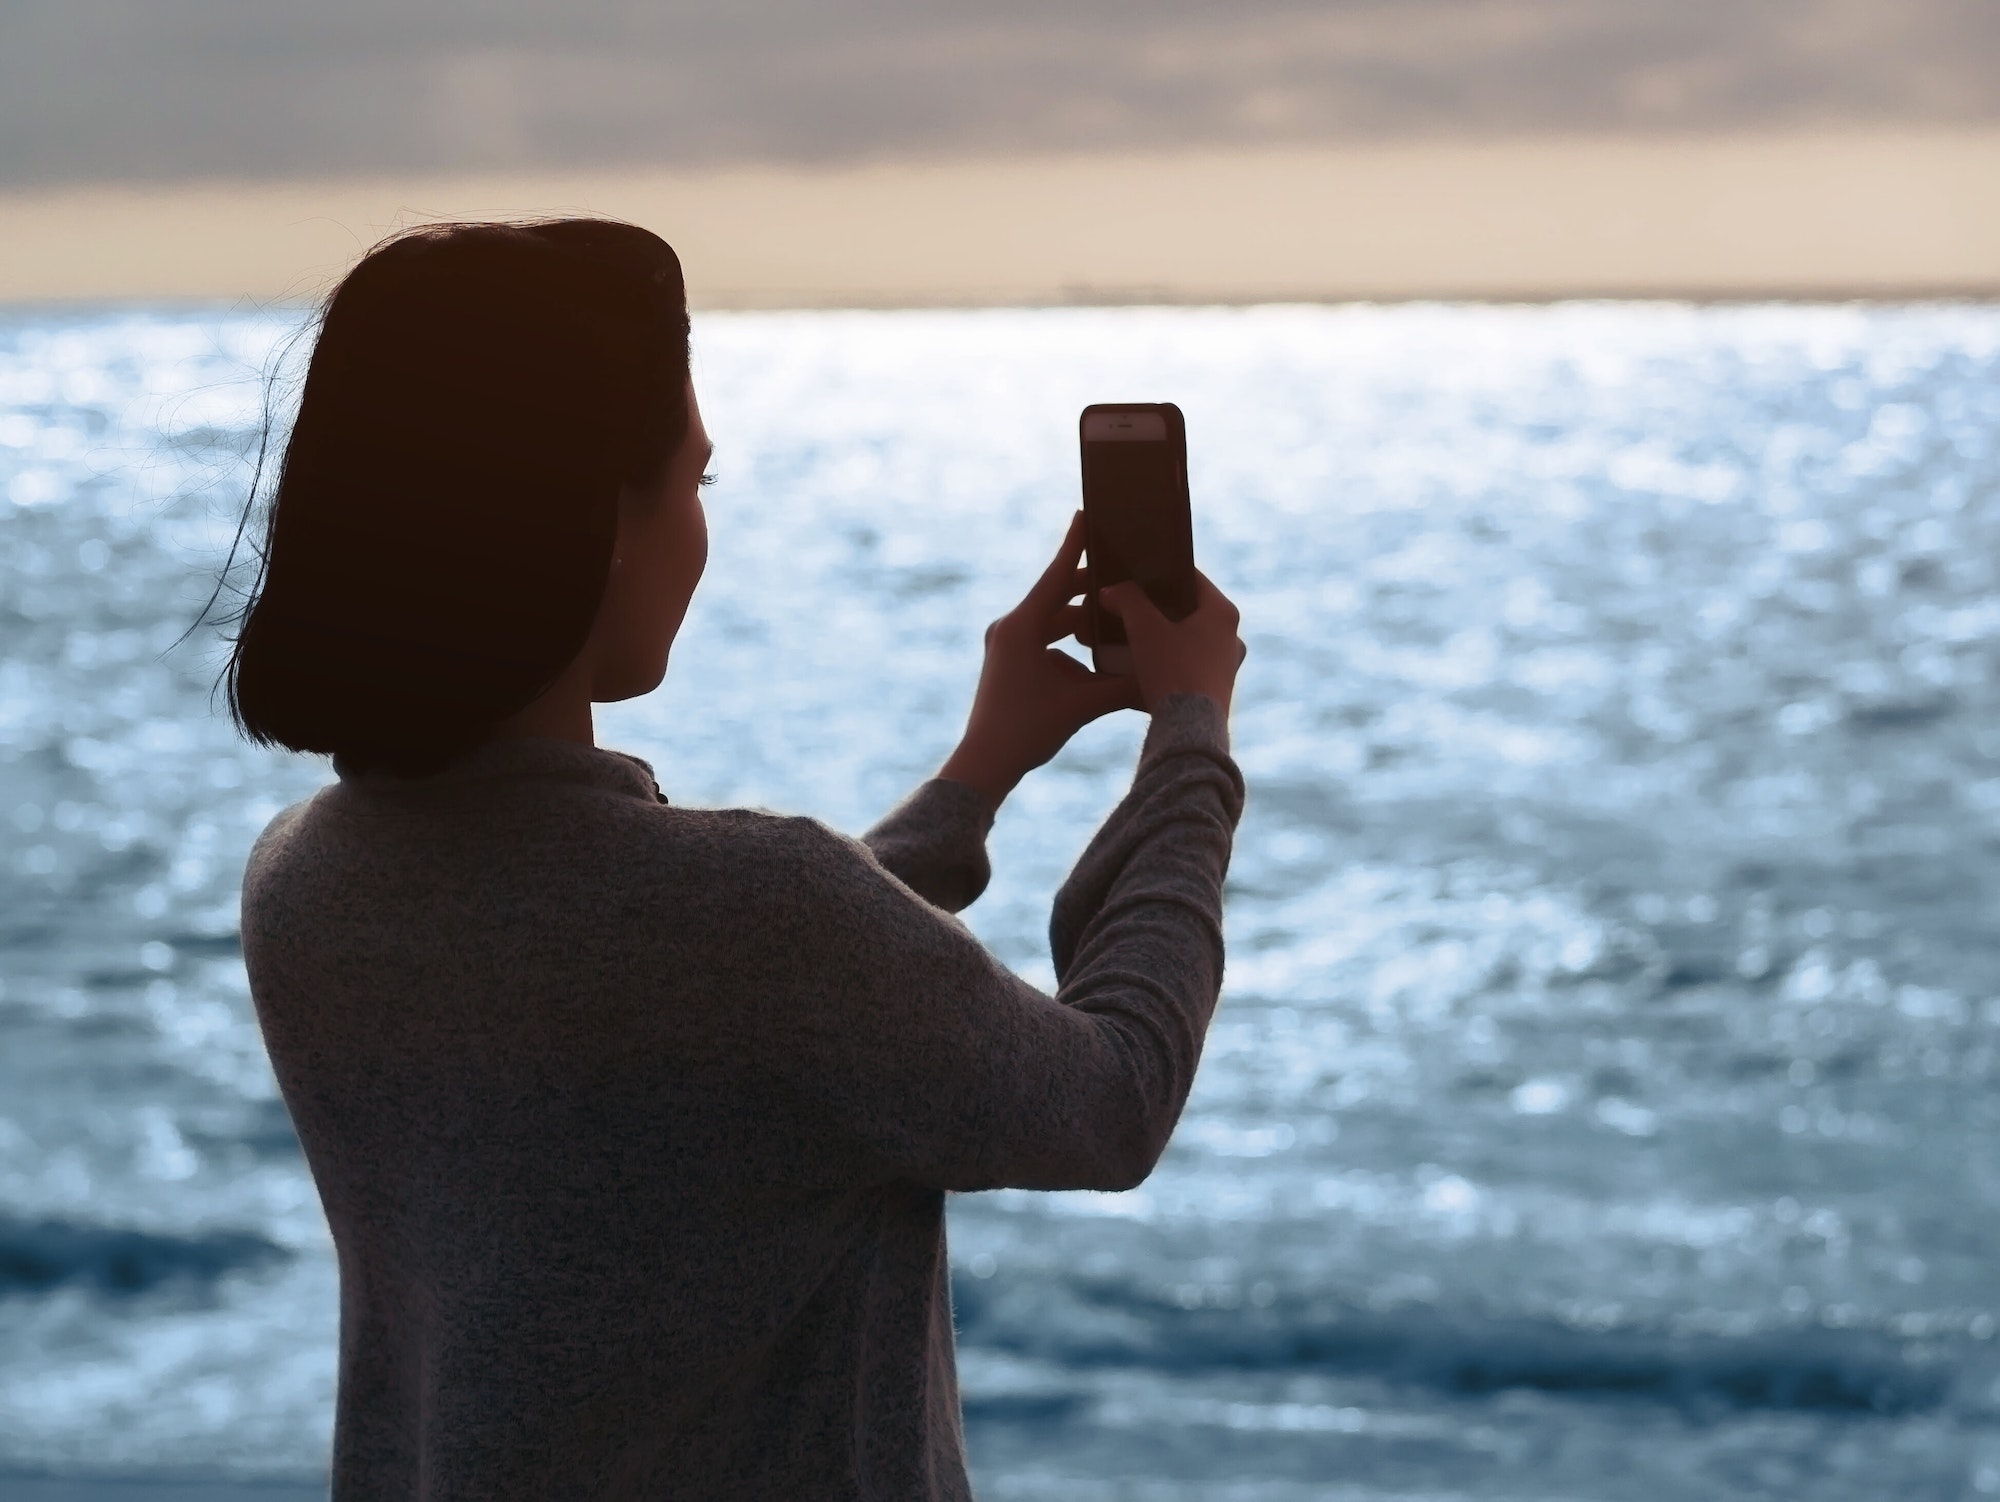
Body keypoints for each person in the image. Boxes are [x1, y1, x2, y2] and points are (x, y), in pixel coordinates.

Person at [230, 218, 1246, 1501]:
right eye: (696, 481)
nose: (700, 527)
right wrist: (1190, 739)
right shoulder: (756, 922)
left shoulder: (305, 884)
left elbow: (684, 1000)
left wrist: (973, 780)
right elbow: (1109, 1096)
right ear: (601, 513)